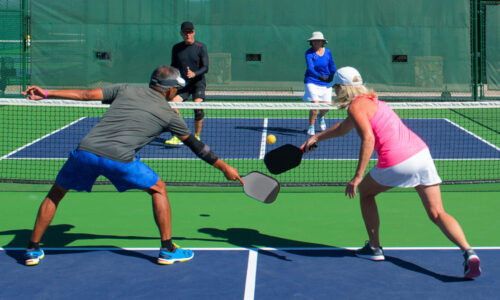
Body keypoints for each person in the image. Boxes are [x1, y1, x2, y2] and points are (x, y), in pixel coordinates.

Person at [21, 65, 243, 266]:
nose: (176, 92)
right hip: (119, 159)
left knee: (56, 193)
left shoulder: (126, 89)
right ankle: (167, 249)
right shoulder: (170, 115)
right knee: (158, 189)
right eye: (175, 88)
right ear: (167, 90)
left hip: (86, 151)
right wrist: (225, 168)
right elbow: (197, 147)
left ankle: (32, 248)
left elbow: (85, 95)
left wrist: (47, 93)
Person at [302, 66, 481, 279]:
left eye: (336, 88)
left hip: (398, 160)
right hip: (422, 155)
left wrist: (357, 177)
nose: (335, 92)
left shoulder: (356, 107)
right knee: (437, 212)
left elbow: (368, 139)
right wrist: (316, 138)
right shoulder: (372, 102)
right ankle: (468, 252)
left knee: (366, 193)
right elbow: (343, 128)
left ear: (341, 88)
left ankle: (374, 248)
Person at [165, 21, 209, 146]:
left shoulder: (201, 47)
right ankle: (179, 135)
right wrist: (171, 78)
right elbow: (173, 66)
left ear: (193, 32)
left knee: (198, 107)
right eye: (185, 32)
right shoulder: (176, 48)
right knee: (172, 106)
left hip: (198, 84)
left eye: (190, 32)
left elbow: (206, 67)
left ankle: (197, 137)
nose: (188, 35)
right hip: (183, 85)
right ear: (181, 34)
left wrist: (195, 73)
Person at [303, 31, 336, 136]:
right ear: (311, 42)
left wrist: (334, 76)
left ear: (322, 42)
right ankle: (311, 126)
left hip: (326, 82)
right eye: (314, 41)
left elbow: (332, 65)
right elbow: (310, 68)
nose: (316, 42)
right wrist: (319, 76)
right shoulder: (309, 53)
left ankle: (321, 117)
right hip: (312, 80)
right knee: (315, 105)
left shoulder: (328, 52)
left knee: (326, 107)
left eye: (318, 41)